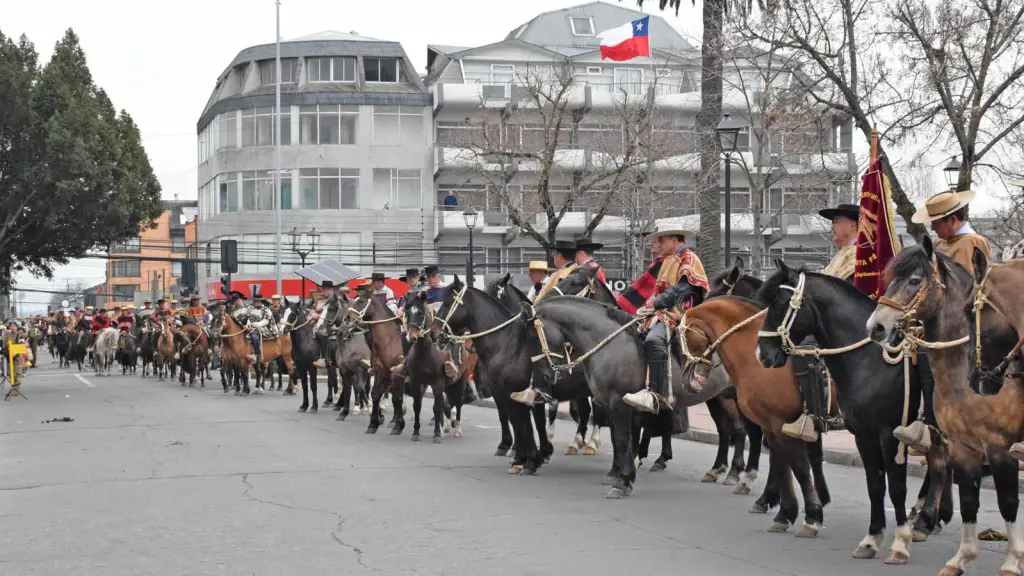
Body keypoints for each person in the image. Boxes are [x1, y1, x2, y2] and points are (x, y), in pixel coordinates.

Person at [894, 188, 992, 453]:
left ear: (952, 219)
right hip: (934, 320)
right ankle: (923, 422)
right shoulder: (935, 246)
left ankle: (947, 426)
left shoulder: (974, 242)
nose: (933, 228)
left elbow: (978, 285)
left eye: (936, 222)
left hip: (966, 321)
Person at [780, 203, 861, 442]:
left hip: (845, 324)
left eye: (837, 221)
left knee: (804, 349)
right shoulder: (843, 255)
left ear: (853, 225)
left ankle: (815, 415)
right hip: (827, 320)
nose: (832, 227)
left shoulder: (862, 255)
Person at [622, 225, 708, 426]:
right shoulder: (668, 260)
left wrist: (656, 303)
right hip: (663, 309)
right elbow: (659, 290)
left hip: (680, 311)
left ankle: (657, 393)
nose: (659, 244)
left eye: (663, 240)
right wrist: (646, 306)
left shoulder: (689, 259)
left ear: (674, 240)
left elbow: (683, 288)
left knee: (654, 339)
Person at [616, 234, 666, 314]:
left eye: (655, 242)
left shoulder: (663, 262)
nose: (651, 244)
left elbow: (650, 285)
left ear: (663, 244)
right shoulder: (658, 261)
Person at [244, 294, 277, 365]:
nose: (256, 302)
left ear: (261, 301)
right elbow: (247, 318)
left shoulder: (266, 309)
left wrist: (256, 324)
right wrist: (248, 324)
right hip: (249, 327)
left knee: (254, 336)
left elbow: (267, 320)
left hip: (262, 328)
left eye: (258, 301)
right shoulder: (249, 308)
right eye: (255, 301)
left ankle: (257, 356)